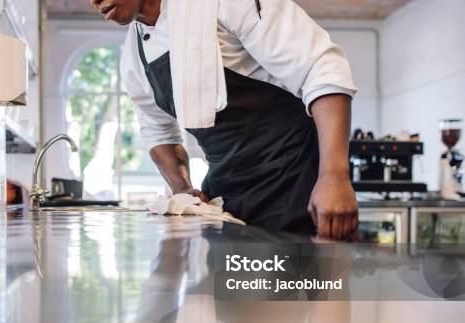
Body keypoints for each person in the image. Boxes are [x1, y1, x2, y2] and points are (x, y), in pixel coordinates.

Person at [90, 0, 359, 240]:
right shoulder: (133, 56)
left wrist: (334, 176)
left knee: (310, 291)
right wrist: (183, 190)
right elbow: (158, 133)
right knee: (237, 293)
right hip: (227, 197)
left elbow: (322, 69)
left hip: (296, 182)